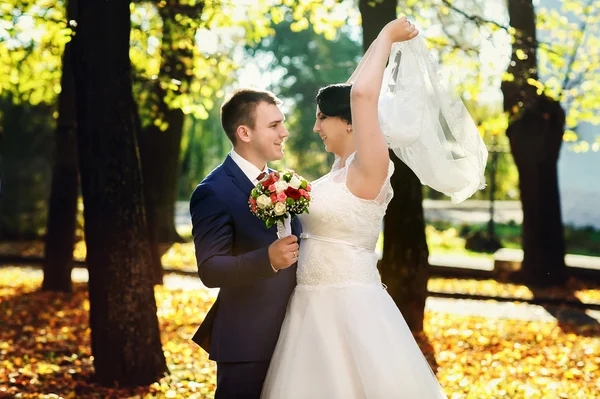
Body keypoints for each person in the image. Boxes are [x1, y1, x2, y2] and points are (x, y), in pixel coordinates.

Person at [260, 17, 449, 398]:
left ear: (349, 122)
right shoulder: (338, 171)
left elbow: (361, 94)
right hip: (309, 310)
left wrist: (387, 36)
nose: (316, 128)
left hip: (351, 308)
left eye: (321, 118)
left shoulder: (372, 165)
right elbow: (354, 88)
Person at [189, 88, 302, 398]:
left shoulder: (284, 182)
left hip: (296, 337)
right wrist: (267, 259)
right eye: (274, 125)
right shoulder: (213, 191)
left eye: (282, 123)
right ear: (244, 132)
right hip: (247, 342)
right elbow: (211, 269)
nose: (284, 132)